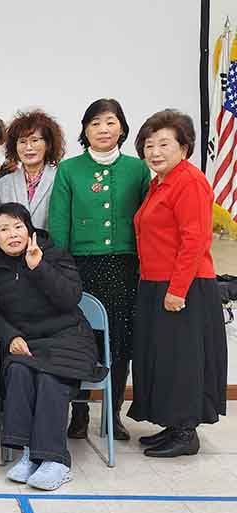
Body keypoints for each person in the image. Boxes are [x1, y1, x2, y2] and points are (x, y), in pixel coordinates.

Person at [48, 99, 151, 441]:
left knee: (120, 341)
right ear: (85, 130)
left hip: (125, 266)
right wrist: (62, 268)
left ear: (122, 127)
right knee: (82, 340)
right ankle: (78, 414)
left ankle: (113, 415)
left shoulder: (138, 169)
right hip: (81, 266)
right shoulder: (69, 169)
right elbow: (59, 223)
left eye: (110, 122)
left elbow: (147, 221)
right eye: (95, 123)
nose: (103, 129)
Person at [0, 203, 106, 491]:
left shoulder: (53, 255)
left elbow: (70, 298)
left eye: (18, 227)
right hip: (28, 342)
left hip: (70, 339)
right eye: (4, 229)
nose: (13, 234)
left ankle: (56, 461)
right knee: (18, 371)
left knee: (51, 377)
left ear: (29, 229)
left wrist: (38, 267)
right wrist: (9, 337)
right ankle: (30, 453)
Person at [128, 110, 227, 458]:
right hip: (155, 282)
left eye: (164, 144)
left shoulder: (190, 181)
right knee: (165, 358)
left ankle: (186, 432)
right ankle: (173, 425)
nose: (154, 152)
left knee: (183, 360)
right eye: (148, 145)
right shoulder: (159, 183)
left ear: (184, 148)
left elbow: (195, 240)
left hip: (184, 286)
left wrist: (177, 289)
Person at [0, 110, 66, 229]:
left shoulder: (61, 179)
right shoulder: (4, 184)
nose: (28, 147)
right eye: (22, 141)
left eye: (34, 140)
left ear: (48, 144)